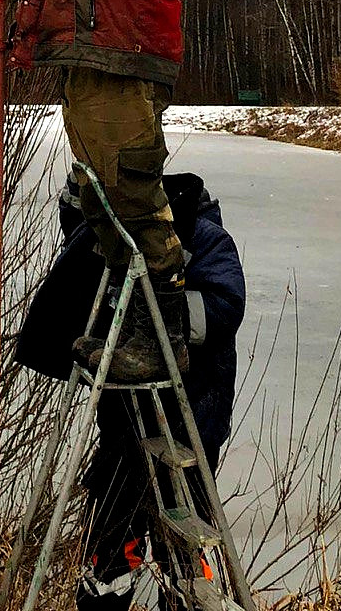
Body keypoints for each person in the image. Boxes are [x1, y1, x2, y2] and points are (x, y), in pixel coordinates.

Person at [0, 0, 206, 383]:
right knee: (97, 194)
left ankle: (163, 340)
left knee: (129, 189)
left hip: (124, 56)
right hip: (95, 54)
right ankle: (133, 325)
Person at [16, 171, 245, 611]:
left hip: (192, 410)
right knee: (115, 512)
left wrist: (161, 316)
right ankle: (106, 585)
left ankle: (187, 590)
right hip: (125, 415)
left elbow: (224, 305)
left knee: (185, 527)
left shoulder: (203, 237)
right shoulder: (109, 245)